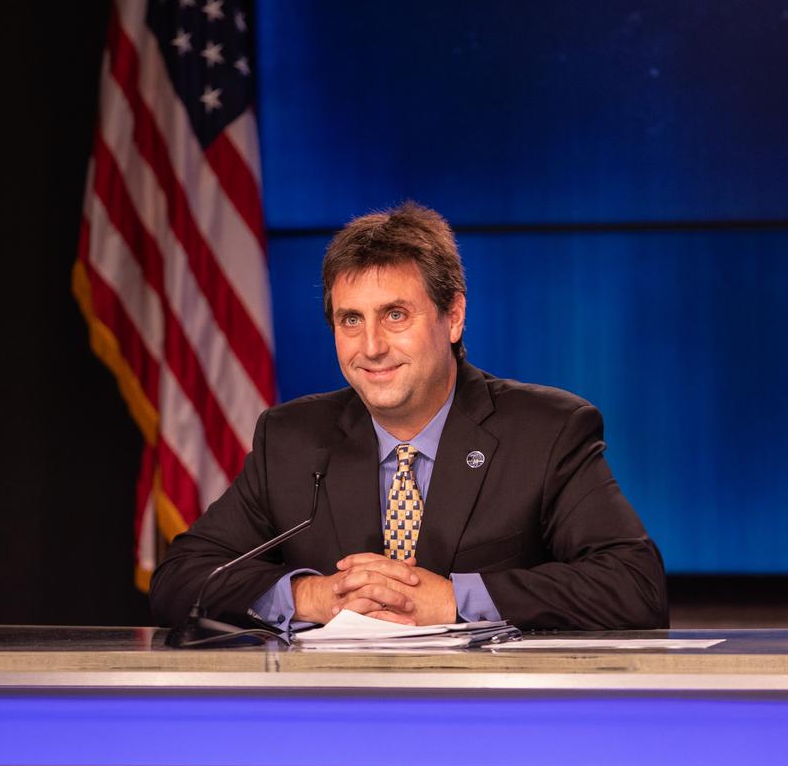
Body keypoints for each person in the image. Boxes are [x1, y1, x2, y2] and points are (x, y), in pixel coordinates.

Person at [150, 203, 667, 632]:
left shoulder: (547, 430)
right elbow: (180, 579)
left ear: (454, 317)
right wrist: (311, 596)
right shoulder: (291, 439)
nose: (371, 347)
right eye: (350, 320)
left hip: (495, 724)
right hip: (333, 724)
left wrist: (452, 601)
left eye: (395, 315)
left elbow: (634, 588)